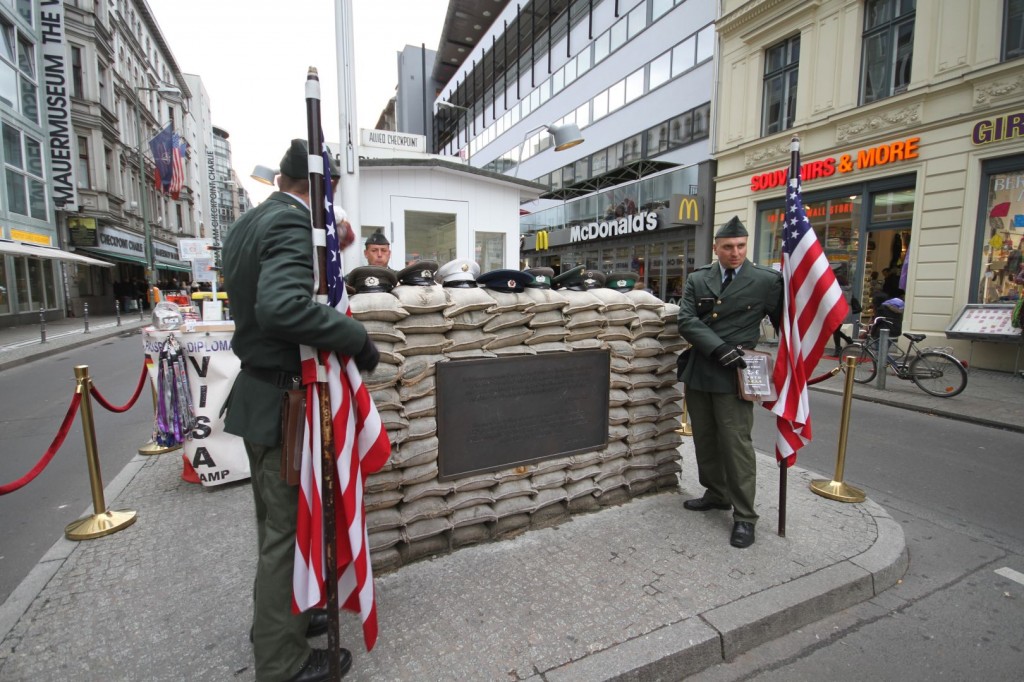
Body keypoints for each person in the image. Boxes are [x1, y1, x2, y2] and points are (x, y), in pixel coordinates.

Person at [222, 139, 380, 682]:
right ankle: (282, 662)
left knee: (276, 527)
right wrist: (354, 336)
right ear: (319, 187)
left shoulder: (249, 222)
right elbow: (281, 306)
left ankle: (280, 624)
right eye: (330, 194)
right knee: (285, 538)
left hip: (258, 395)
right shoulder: (291, 223)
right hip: (283, 402)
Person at [677, 216, 783, 549]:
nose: (735, 253)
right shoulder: (699, 279)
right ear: (716, 248)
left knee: (736, 444)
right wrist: (717, 347)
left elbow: (786, 324)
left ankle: (745, 517)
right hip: (701, 369)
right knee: (705, 439)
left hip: (737, 374)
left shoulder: (766, 281)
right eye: (728, 247)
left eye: (740, 246)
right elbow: (686, 319)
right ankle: (717, 493)